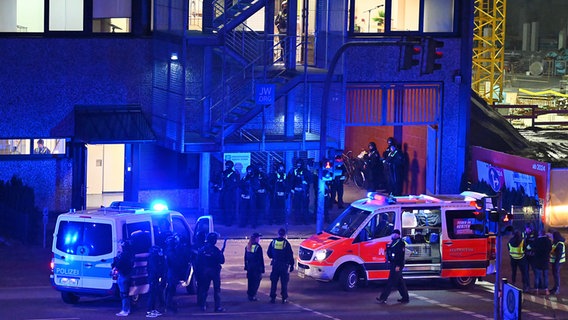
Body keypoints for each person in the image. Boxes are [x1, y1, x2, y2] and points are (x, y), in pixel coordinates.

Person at [377, 229, 409, 304]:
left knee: (390, 281)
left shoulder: (400, 243)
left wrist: (398, 265)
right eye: (393, 233)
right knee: (400, 283)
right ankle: (405, 298)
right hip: (394, 264)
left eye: (395, 234)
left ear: (398, 235)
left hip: (397, 264)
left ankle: (383, 298)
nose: (393, 235)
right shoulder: (393, 242)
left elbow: (400, 255)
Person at [196, 232, 226, 312]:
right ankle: (217, 307)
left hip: (205, 272)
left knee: (204, 289)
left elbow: (198, 261)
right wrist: (221, 253)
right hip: (215, 272)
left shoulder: (202, 250)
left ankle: (203, 306)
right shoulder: (216, 250)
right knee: (217, 290)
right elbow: (222, 261)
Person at [267, 228, 295, 304]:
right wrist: (292, 265)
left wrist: (274, 257)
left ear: (278, 234)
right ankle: (284, 298)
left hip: (275, 265)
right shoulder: (286, 243)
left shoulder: (273, 242)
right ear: (284, 235)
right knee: (284, 283)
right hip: (284, 265)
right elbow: (290, 255)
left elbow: (269, 253)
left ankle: (272, 298)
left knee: (274, 282)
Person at [112, 239, 135, 317]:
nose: (118, 247)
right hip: (126, 274)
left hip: (123, 275)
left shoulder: (124, 255)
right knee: (125, 293)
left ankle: (125, 310)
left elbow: (119, 264)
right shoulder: (130, 254)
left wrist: (116, 262)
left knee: (124, 294)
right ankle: (126, 309)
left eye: (120, 245)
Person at [287, 159, 310, 225]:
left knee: (305, 206)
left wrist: (306, 182)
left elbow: (310, 179)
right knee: (297, 207)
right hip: (296, 192)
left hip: (303, 192)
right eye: (297, 163)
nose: (298, 165)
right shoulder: (292, 171)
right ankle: (297, 220)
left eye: (300, 163)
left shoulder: (305, 171)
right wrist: (291, 189)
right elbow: (289, 180)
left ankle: (305, 220)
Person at [146, 245, 166, 318]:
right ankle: (149, 311)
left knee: (154, 295)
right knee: (152, 295)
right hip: (153, 278)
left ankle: (153, 309)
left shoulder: (154, 258)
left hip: (154, 278)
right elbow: (155, 269)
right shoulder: (153, 258)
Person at [244, 232, 265, 301]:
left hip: (250, 267)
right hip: (256, 268)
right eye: (258, 238)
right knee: (256, 282)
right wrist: (262, 269)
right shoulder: (258, 247)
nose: (259, 239)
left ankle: (250, 295)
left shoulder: (248, 246)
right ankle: (253, 295)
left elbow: (245, 258)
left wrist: (246, 266)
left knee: (250, 281)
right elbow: (260, 259)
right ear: (256, 238)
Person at [218, 160, 240, 226]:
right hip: (223, 193)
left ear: (232, 166)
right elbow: (219, 181)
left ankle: (229, 222)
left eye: (229, 165)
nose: (227, 166)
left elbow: (235, 184)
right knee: (222, 206)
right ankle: (224, 221)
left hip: (230, 193)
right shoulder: (223, 172)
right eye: (226, 164)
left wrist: (227, 188)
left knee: (229, 207)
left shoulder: (234, 173)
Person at [532, 229, 552, 295]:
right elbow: (550, 249)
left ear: (540, 234)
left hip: (537, 261)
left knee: (537, 276)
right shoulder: (548, 241)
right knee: (545, 276)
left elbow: (533, 248)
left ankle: (536, 290)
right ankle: (546, 290)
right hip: (545, 260)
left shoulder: (536, 241)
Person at [549, 230, 565, 295]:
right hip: (555, 262)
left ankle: (557, 289)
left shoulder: (559, 244)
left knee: (556, 275)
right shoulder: (556, 242)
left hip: (558, 262)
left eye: (552, 236)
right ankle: (555, 288)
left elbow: (558, 255)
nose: (552, 237)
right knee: (555, 275)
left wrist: (556, 263)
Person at [523, 223, 537, 292]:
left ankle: (537, 286)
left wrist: (530, 247)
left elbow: (535, 243)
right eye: (526, 228)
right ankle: (527, 286)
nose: (526, 230)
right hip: (526, 256)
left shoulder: (534, 234)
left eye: (527, 228)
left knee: (535, 271)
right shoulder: (524, 234)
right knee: (525, 272)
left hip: (533, 256)